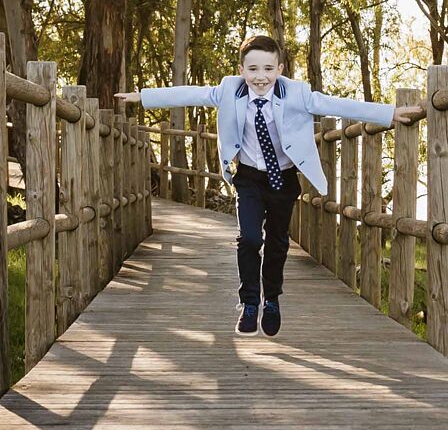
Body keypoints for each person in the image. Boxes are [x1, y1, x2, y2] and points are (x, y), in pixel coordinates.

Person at [117, 35, 421, 336]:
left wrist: (389, 114)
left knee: (277, 242)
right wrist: (142, 97)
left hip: (283, 178)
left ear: (280, 68)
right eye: (252, 69)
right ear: (241, 70)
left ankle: (272, 299)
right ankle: (249, 302)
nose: (260, 77)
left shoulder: (297, 93)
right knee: (249, 239)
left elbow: (336, 105)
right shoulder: (228, 91)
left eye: (268, 69)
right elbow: (188, 94)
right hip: (249, 177)